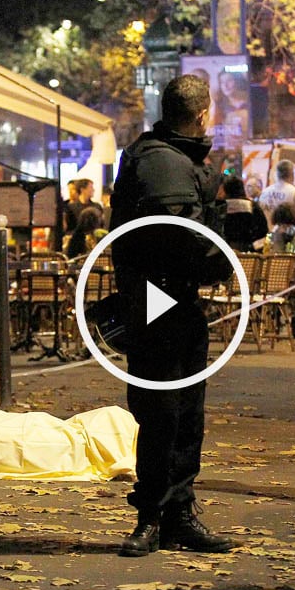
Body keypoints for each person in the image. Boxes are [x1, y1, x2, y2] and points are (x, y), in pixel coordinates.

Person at [109, 73, 235, 558]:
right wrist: (222, 256)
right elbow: (188, 241)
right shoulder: (167, 164)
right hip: (164, 305)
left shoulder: (151, 156)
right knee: (167, 413)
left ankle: (172, 513)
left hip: (157, 303)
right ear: (203, 115)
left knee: (179, 413)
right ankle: (158, 516)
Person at [220, 175, 268, 252]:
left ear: (225, 189)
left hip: (225, 253)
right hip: (248, 255)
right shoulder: (253, 206)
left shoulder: (221, 207)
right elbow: (263, 232)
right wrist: (252, 248)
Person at [258, 159, 295, 227]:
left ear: (277, 174)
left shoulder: (265, 193)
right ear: (292, 174)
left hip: (267, 231)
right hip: (287, 233)